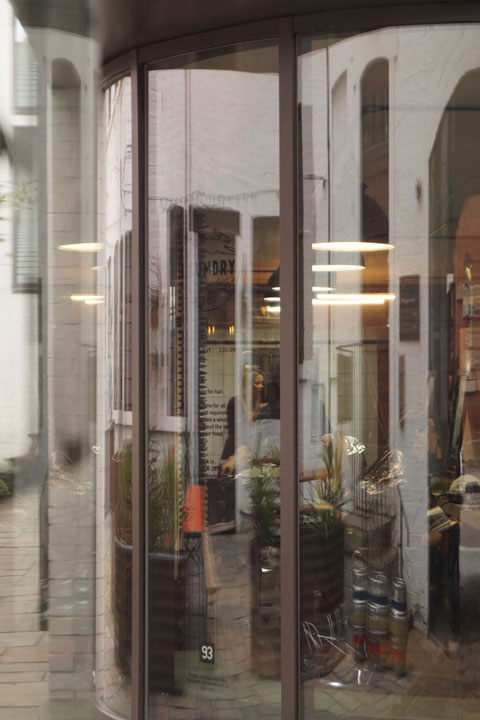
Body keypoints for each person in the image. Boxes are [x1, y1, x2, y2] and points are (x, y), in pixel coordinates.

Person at [220, 365, 267, 475]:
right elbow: (236, 431)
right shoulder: (236, 402)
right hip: (235, 452)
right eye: (257, 383)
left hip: (250, 452)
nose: (261, 386)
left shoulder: (256, 403)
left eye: (262, 383)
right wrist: (256, 415)